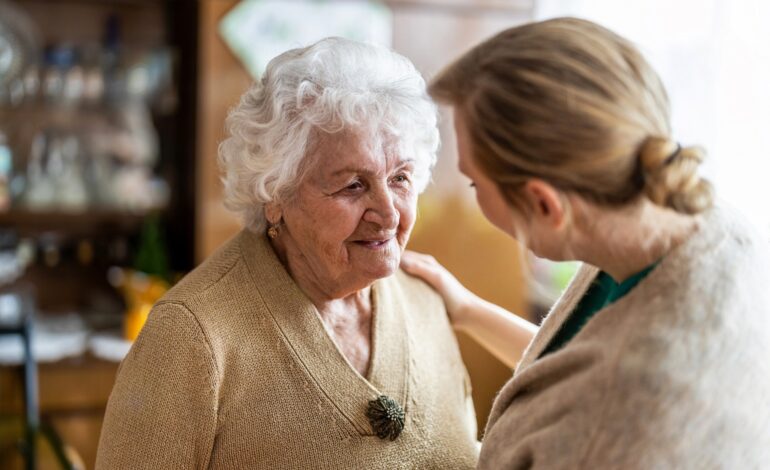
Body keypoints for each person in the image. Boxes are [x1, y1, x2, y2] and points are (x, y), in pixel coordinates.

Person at [401, 17, 770, 469]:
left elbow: (600, 396)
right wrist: (468, 309)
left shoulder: (623, 421)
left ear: (544, 204)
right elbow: (575, 371)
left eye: (475, 184)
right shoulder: (699, 223)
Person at [96, 37, 479, 469]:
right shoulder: (191, 338)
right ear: (275, 193)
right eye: (353, 184)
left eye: (401, 178)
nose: (388, 214)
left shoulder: (427, 303)